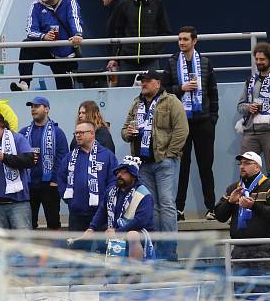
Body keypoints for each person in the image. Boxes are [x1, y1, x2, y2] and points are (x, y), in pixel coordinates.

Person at [122, 69, 188, 259]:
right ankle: (156, 249)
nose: (143, 83)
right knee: (154, 206)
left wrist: (170, 154)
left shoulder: (171, 101)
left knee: (166, 204)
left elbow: (182, 129)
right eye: (142, 80)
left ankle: (169, 251)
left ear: (157, 83)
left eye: (148, 81)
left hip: (164, 162)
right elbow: (124, 130)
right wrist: (128, 133)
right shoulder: (136, 103)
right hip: (143, 163)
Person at [163, 26, 219, 221]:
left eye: (185, 39)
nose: (181, 42)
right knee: (182, 167)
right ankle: (179, 209)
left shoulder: (205, 62)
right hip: (180, 124)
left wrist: (213, 118)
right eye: (179, 39)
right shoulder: (171, 62)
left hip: (203, 122)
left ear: (194, 41)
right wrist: (182, 87)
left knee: (206, 167)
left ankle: (211, 208)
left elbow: (213, 91)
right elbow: (165, 90)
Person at [214, 151, 270, 275]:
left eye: (246, 163)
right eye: (240, 163)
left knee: (265, 290)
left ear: (257, 166)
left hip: (264, 247)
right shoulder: (233, 188)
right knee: (241, 291)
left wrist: (254, 205)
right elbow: (219, 216)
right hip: (239, 247)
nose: (241, 166)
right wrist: (230, 202)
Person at [18, 0, 84, 90]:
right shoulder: (36, 5)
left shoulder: (69, 0)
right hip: (48, 50)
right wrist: (43, 36)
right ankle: (24, 82)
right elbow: (30, 30)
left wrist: (77, 35)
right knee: (27, 45)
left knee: (65, 89)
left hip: (66, 53)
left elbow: (74, 18)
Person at [84, 156, 156, 260]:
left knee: (132, 235)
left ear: (133, 175)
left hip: (140, 233)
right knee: (103, 232)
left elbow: (141, 221)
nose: (119, 175)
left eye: (123, 172)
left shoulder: (144, 195)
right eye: (118, 172)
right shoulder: (111, 192)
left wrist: (118, 232)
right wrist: (91, 228)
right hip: (116, 231)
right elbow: (101, 212)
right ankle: (113, 271)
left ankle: (135, 271)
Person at [107, 0, 172, 87]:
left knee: (154, 93)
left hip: (150, 60)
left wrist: (154, 50)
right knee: (122, 93)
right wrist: (115, 57)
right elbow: (118, 32)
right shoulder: (124, 5)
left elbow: (166, 31)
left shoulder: (157, 3)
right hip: (127, 59)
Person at [57, 121, 119, 231]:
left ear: (92, 134)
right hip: (76, 214)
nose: (77, 135)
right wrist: (70, 201)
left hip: (101, 213)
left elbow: (113, 180)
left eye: (81, 132)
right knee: (76, 247)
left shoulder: (107, 155)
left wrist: (104, 201)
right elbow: (61, 178)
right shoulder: (70, 157)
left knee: (100, 247)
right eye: (76, 133)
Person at [20, 96, 69, 230]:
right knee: (28, 224)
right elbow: (16, 155)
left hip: (50, 185)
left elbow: (63, 158)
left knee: (53, 223)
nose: (33, 109)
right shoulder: (24, 132)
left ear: (46, 109)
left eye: (37, 106)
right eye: (32, 107)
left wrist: (55, 180)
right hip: (29, 185)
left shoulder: (57, 132)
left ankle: (55, 250)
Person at [237, 43, 270, 163]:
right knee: (246, 169)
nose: (259, 62)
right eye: (257, 59)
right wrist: (249, 108)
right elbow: (240, 106)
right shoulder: (250, 81)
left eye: (262, 59)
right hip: (250, 132)